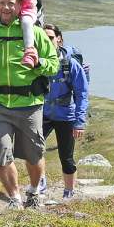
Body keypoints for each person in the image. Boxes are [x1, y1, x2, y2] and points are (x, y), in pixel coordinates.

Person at [0, 0, 60, 209]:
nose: (6, 7)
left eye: (11, 3)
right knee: (0, 151)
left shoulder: (35, 33)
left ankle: (35, 190)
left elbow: (54, 66)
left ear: (21, 5)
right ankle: (14, 198)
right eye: (2, 2)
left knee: (34, 154)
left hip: (29, 104)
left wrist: (38, 63)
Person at [41, 23, 89, 200]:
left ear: (59, 39)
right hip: (43, 113)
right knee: (34, 150)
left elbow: (82, 94)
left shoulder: (71, 64)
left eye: (51, 37)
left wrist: (79, 122)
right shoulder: (38, 61)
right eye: (43, 38)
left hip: (66, 116)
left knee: (66, 157)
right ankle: (41, 181)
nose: (47, 41)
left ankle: (68, 192)